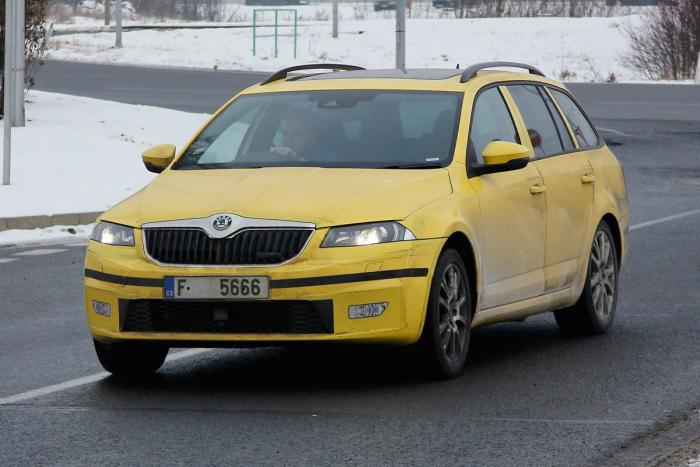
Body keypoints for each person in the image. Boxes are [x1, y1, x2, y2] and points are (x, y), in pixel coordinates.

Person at [270, 109, 336, 162]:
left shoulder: (328, 160)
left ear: (313, 138)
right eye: (285, 133)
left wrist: (296, 158)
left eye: (297, 134)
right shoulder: (273, 156)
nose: (289, 139)